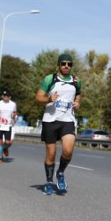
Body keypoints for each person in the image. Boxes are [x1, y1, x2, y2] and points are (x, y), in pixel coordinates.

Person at [34, 54, 82, 195]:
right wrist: (49, 99)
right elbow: (38, 98)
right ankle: (49, 182)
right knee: (51, 154)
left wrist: (78, 102)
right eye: (63, 63)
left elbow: (78, 94)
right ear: (59, 65)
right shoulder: (50, 79)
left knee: (68, 150)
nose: (66, 66)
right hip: (50, 120)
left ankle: (60, 172)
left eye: (69, 64)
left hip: (68, 120)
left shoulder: (76, 81)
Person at [0, 90, 18, 163]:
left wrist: (14, 116)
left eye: (7, 96)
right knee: (0, 142)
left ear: (10, 97)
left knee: (7, 142)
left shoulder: (13, 104)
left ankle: (4, 148)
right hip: (0, 125)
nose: (6, 97)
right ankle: (0, 158)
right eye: (4, 96)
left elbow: (15, 112)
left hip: (8, 125)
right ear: (2, 96)